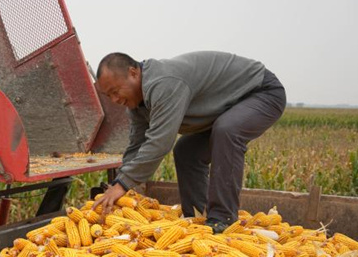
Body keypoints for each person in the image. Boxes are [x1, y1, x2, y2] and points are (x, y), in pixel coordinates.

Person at [92, 51, 286, 233]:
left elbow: (159, 142)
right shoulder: (137, 104)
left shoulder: (164, 84)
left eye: (115, 91)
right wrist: (118, 183)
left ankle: (222, 220)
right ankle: (198, 216)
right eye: (109, 96)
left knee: (227, 131)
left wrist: (123, 186)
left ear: (133, 73)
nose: (115, 99)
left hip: (261, 92)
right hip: (225, 107)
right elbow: (137, 145)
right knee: (186, 151)